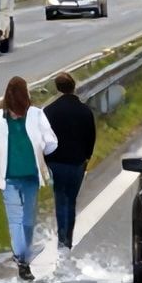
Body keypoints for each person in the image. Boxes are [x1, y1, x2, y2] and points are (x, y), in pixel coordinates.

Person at [0, 77, 58, 282]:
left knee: (15, 220)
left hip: (9, 177)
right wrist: (41, 151)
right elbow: (51, 142)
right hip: (32, 175)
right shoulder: (36, 115)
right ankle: (24, 258)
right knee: (28, 219)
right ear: (26, 95)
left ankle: (21, 259)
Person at [43, 72, 97, 265]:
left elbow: (44, 138)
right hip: (77, 162)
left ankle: (62, 241)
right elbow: (91, 136)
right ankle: (68, 241)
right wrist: (87, 157)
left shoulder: (49, 111)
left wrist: (46, 159)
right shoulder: (85, 111)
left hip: (56, 162)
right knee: (71, 201)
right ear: (74, 87)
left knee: (60, 198)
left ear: (58, 88)